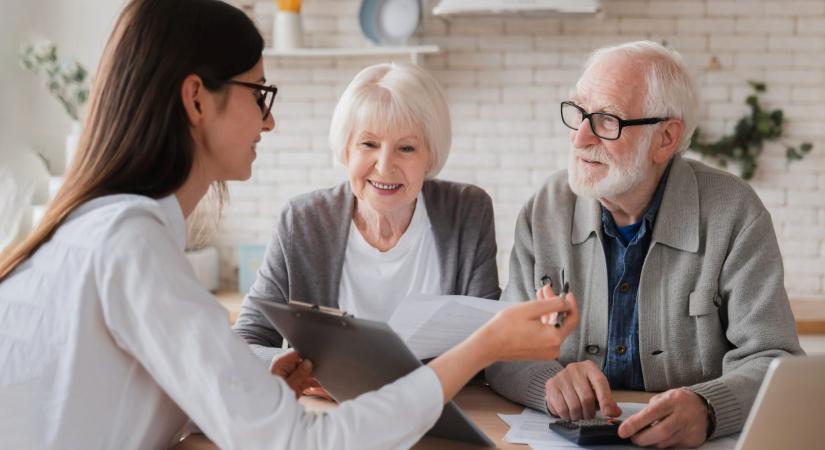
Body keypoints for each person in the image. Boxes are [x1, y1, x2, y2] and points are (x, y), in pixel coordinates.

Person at [0, 0, 579, 449]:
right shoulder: (128, 243)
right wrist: (484, 344)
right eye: (259, 93)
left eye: (406, 147)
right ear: (198, 101)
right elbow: (302, 442)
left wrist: (258, 371)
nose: (270, 120)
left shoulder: (105, 229)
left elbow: (166, 382)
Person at [485, 40, 804, 449]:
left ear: (665, 138)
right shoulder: (544, 208)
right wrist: (547, 383)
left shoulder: (735, 212)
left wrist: (708, 408)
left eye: (606, 120)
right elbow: (501, 347)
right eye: (578, 113)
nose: (580, 137)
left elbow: (775, 359)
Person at [233, 62, 500, 365]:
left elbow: (489, 340)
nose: (385, 166)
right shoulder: (302, 221)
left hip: (439, 402)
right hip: (333, 408)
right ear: (346, 150)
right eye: (369, 144)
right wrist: (305, 369)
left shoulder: (467, 212)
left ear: (431, 155)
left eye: (407, 148)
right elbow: (247, 339)